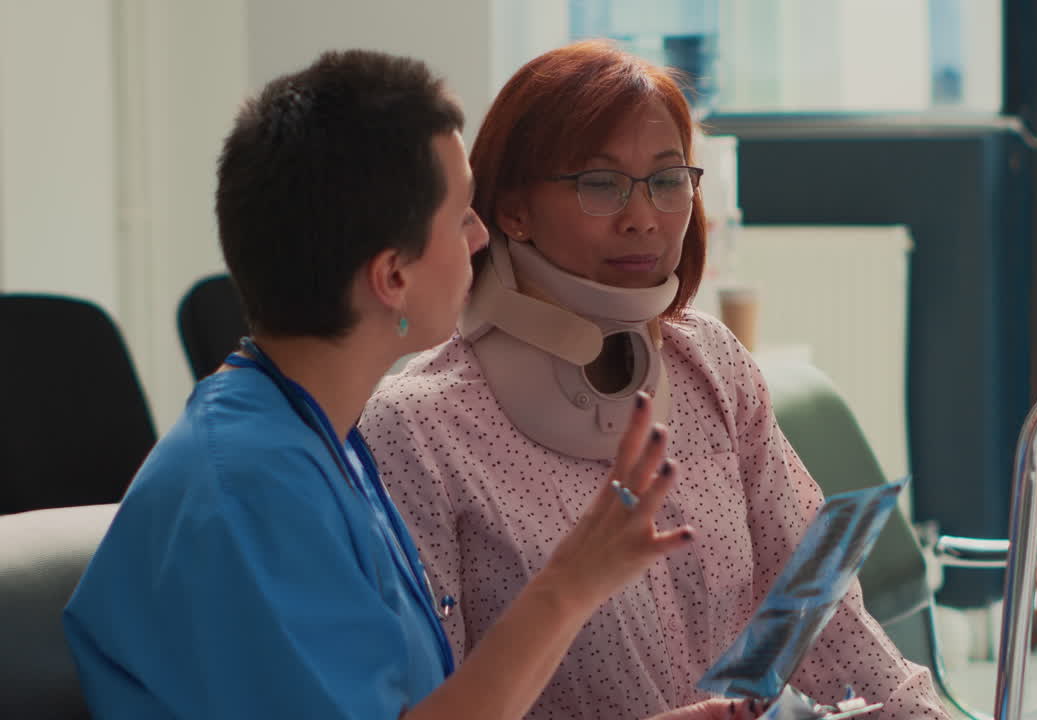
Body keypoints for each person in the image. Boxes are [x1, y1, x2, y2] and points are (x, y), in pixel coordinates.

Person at [62, 49, 756, 720]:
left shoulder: (314, 443)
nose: (483, 236)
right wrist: (571, 584)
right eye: (461, 217)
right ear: (393, 277)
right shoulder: (251, 491)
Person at [360, 40, 949, 720]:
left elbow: (821, 612)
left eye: (668, 180)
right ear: (513, 209)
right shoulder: (416, 428)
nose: (643, 216)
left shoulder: (712, 366)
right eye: (599, 183)